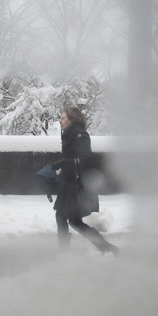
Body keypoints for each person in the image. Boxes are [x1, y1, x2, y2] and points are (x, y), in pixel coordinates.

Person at [50, 106, 119, 256]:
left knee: (64, 217)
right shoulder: (71, 133)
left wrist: (66, 163)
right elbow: (73, 157)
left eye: (63, 118)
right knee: (73, 220)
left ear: (72, 118)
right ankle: (107, 249)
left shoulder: (79, 133)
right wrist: (62, 163)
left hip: (76, 183)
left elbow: (85, 158)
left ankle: (64, 252)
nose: (60, 121)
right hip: (71, 181)